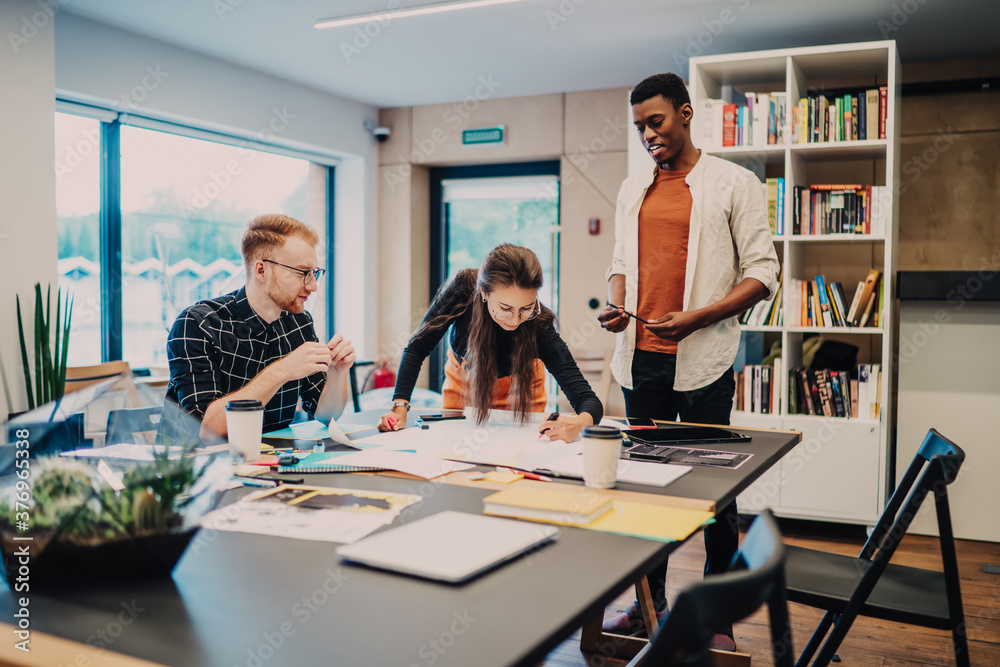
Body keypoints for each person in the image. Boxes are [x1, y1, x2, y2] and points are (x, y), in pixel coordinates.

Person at [597, 73, 780, 649]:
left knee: (712, 496)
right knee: (643, 492)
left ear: (685, 113)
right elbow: (621, 259)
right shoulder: (633, 188)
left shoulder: (734, 182)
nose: (648, 134)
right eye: (639, 127)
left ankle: (716, 619)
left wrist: (698, 317)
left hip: (703, 366)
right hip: (641, 364)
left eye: (657, 122)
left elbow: (763, 275)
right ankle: (645, 607)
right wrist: (620, 304)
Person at [163, 214, 355, 444]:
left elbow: (325, 415)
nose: (313, 286)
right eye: (302, 273)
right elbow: (207, 429)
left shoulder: (300, 322)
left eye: (314, 273)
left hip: (272, 463)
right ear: (261, 270)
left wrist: (338, 373)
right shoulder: (197, 324)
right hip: (197, 469)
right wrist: (283, 370)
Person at [378, 243, 603, 440]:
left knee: (522, 452)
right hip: (463, 382)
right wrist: (399, 409)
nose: (516, 320)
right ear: (484, 292)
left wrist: (580, 424)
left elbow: (586, 398)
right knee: (453, 447)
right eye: (505, 309)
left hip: (522, 387)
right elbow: (418, 347)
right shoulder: (463, 289)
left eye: (526, 308)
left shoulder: (539, 324)